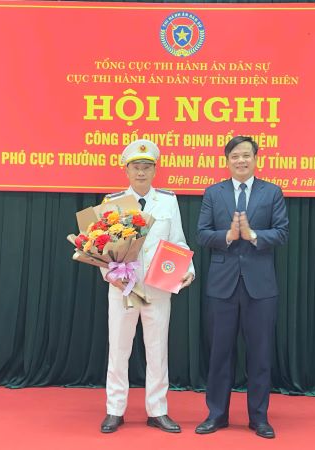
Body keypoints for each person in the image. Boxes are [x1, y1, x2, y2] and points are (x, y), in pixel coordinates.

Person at [195, 135, 289, 439]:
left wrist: (252, 235)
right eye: (235, 156)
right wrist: (228, 235)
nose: (241, 161)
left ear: (256, 159)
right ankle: (216, 415)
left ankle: (259, 418)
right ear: (227, 160)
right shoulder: (214, 193)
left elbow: (282, 233)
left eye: (246, 155)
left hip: (260, 287)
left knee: (260, 355)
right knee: (220, 354)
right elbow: (202, 234)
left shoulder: (272, 192)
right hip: (222, 286)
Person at [99, 139, 195, 434]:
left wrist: (188, 270)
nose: (141, 172)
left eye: (146, 167)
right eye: (136, 167)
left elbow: (178, 241)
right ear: (126, 170)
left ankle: (158, 410)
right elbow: (101, 248)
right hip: (123, 288)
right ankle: (115, 409)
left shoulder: (167, 201)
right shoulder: (113, 202)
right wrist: (110, 275)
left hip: (157, 288)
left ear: (155, 170)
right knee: (119, 350)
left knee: (157, 350)